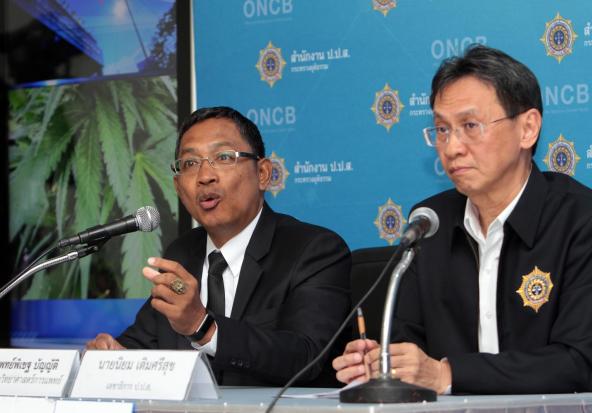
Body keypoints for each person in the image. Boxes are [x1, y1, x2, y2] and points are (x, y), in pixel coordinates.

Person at [333, 44, 592, 394]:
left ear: (528, 129)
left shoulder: (579, 220)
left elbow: (579, 361)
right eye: (441, 130)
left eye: (470, 125)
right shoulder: (429, 223)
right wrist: (383, 364)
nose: (452, 148)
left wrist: (447, 374)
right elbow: (409, 345)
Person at [87, 106, 351, 387]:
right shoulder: (181, 254)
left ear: (263, 173)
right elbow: (142, 344)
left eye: (223, 157)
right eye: (190, 163)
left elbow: (307, 355)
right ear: (178, 186)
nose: (205, 176)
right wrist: (116, 356)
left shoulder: (313, 251)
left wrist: (203, 327)